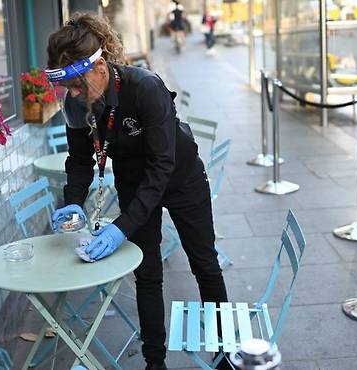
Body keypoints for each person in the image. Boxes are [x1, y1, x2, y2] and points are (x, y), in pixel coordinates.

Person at [45, 13, 231, 370]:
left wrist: (121, 227)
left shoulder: (145, 87)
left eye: (79, 85)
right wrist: (72, 203)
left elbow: (162, 166)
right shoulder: (76, 104)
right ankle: (154, 362)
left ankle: (223, 353)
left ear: (100, 67)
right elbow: (80, 161)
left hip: (180, 177)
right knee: (147, 274)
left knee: (205, 264)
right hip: (131, 179)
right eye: (68, 88)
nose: (75, 95)